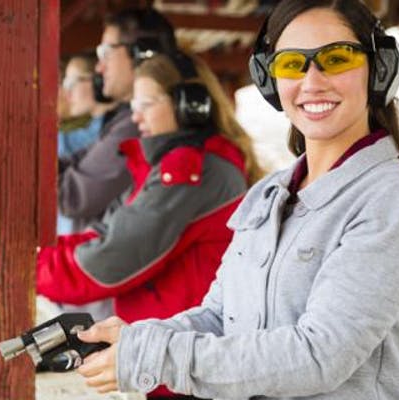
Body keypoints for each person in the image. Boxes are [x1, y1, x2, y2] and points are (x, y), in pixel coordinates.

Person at [75, 1, 399, 399]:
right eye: (290, 64)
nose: (312, 81)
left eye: (336, 59)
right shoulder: (269, 195)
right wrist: (138, 338)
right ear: (271, 81)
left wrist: (152, 355)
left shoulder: (392, 201)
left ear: (378, 69)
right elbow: (220, 317)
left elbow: (319, 356)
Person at [36, 48, 264, 398]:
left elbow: (111, 258)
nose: (135, 117)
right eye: (134, 105)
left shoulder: (192, 169)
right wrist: (41, 255)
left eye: (146, 104)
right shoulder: (171, 164)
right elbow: (105, 233)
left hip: (183, 367)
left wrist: (27, 269)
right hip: (167, 357)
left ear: (189, 105)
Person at [58, 8, 177, 233]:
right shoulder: (124, 120)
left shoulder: (136, 126)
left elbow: (73, 195)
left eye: (105, 53)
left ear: (141, 53)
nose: (99, 67)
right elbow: (73, 161)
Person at [57, 52, 116, 235]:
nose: (67, 92)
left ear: (99, 80)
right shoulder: (100, 128)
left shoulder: (108, 131)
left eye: (72, 82)